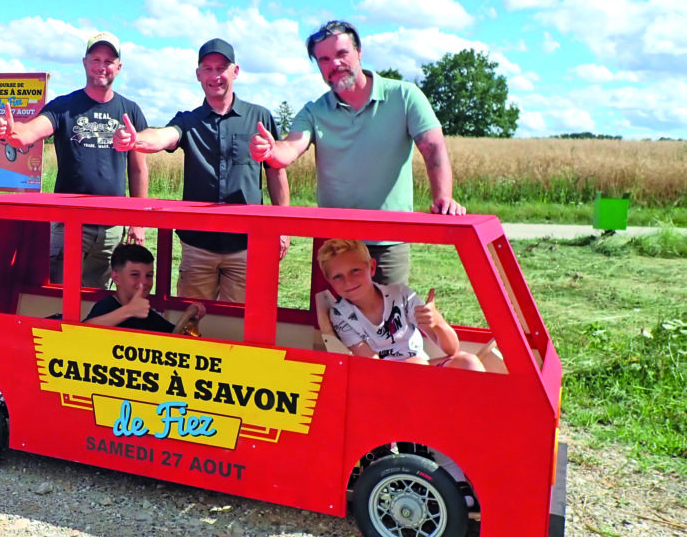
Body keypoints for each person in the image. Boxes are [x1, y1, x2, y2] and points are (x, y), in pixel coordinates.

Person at [249, 20, 464, 285]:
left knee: (389, 321)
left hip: (388, 241)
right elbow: (291, 147)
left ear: (359, 52)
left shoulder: (404, 96)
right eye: (324, 59)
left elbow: (432, 148)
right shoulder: (315, 111)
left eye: (342, 54)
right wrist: (270, 151)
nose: (334, 64)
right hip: (333, 243)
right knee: (332, 322)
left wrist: (444, 198)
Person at [112, 38, 289, 301]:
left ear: (236, 72)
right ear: (198, 75)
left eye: (221, 68)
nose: (215, 76)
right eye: (207, 69)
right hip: (198, 246)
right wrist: (135, 139)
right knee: (192, 320)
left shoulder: (259, 118)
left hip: (246, 244)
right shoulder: (188, 120)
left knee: (239, 322)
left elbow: (276, 171)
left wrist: (282, 227)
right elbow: (163, 137)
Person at [0, 31, 149, 288]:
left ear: (118, 67)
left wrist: (138, 221)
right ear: (85, 62)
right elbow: (29, 132)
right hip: (70, 224)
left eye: (108, 61)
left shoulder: (129, 110)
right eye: (96, 59)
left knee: (99, 297)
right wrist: (10, 131)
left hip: (112, 227)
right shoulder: (63, 106)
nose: (102, 66)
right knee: (60, 294)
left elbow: (138, 169)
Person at [317, 239, 483, 370]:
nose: (348, 281)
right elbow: (372, 366)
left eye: (355, 270)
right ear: (329, 281)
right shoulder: (340, 315)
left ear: (372, 268)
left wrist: (436, 322)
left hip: (421, 367)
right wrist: (413, 367)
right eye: (338, 276)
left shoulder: (402, 295)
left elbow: (452, 350)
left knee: (469, 361)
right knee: (417, 366)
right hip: (387, 382)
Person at [85, 243, 205, 334]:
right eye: (135, 275)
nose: (144, 282)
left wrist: (191, 323)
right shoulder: (107, 306)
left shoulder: (148, 316)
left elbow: (174, 338)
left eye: (149, 276)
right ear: (116, 278)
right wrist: (129, 310)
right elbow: (82, 331)